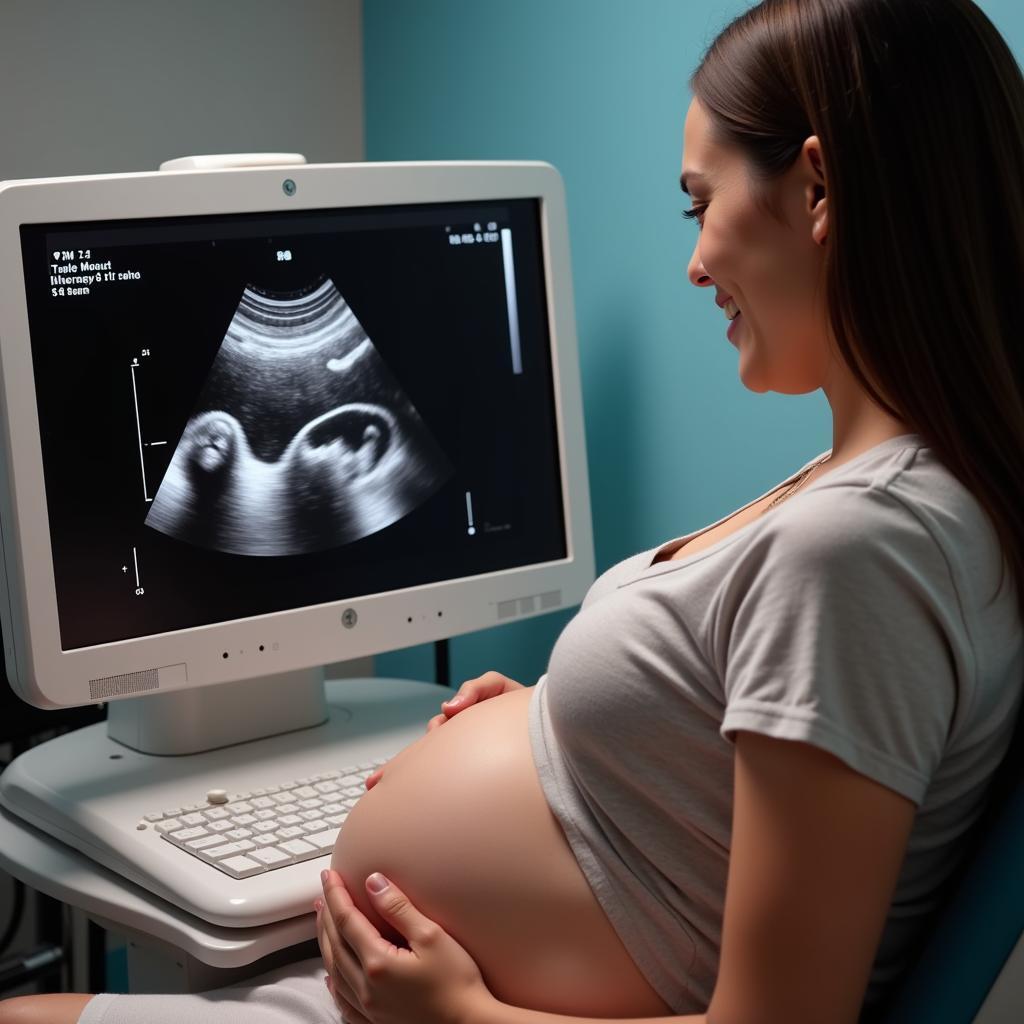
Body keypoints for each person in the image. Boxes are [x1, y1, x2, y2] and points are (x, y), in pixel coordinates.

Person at [3, 0, 1023, 1021]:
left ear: (815, 186)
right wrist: (581, 724)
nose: (696, 261)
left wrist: (461, 1017)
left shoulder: (861, 545)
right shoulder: (897, 494)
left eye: (697, 203)